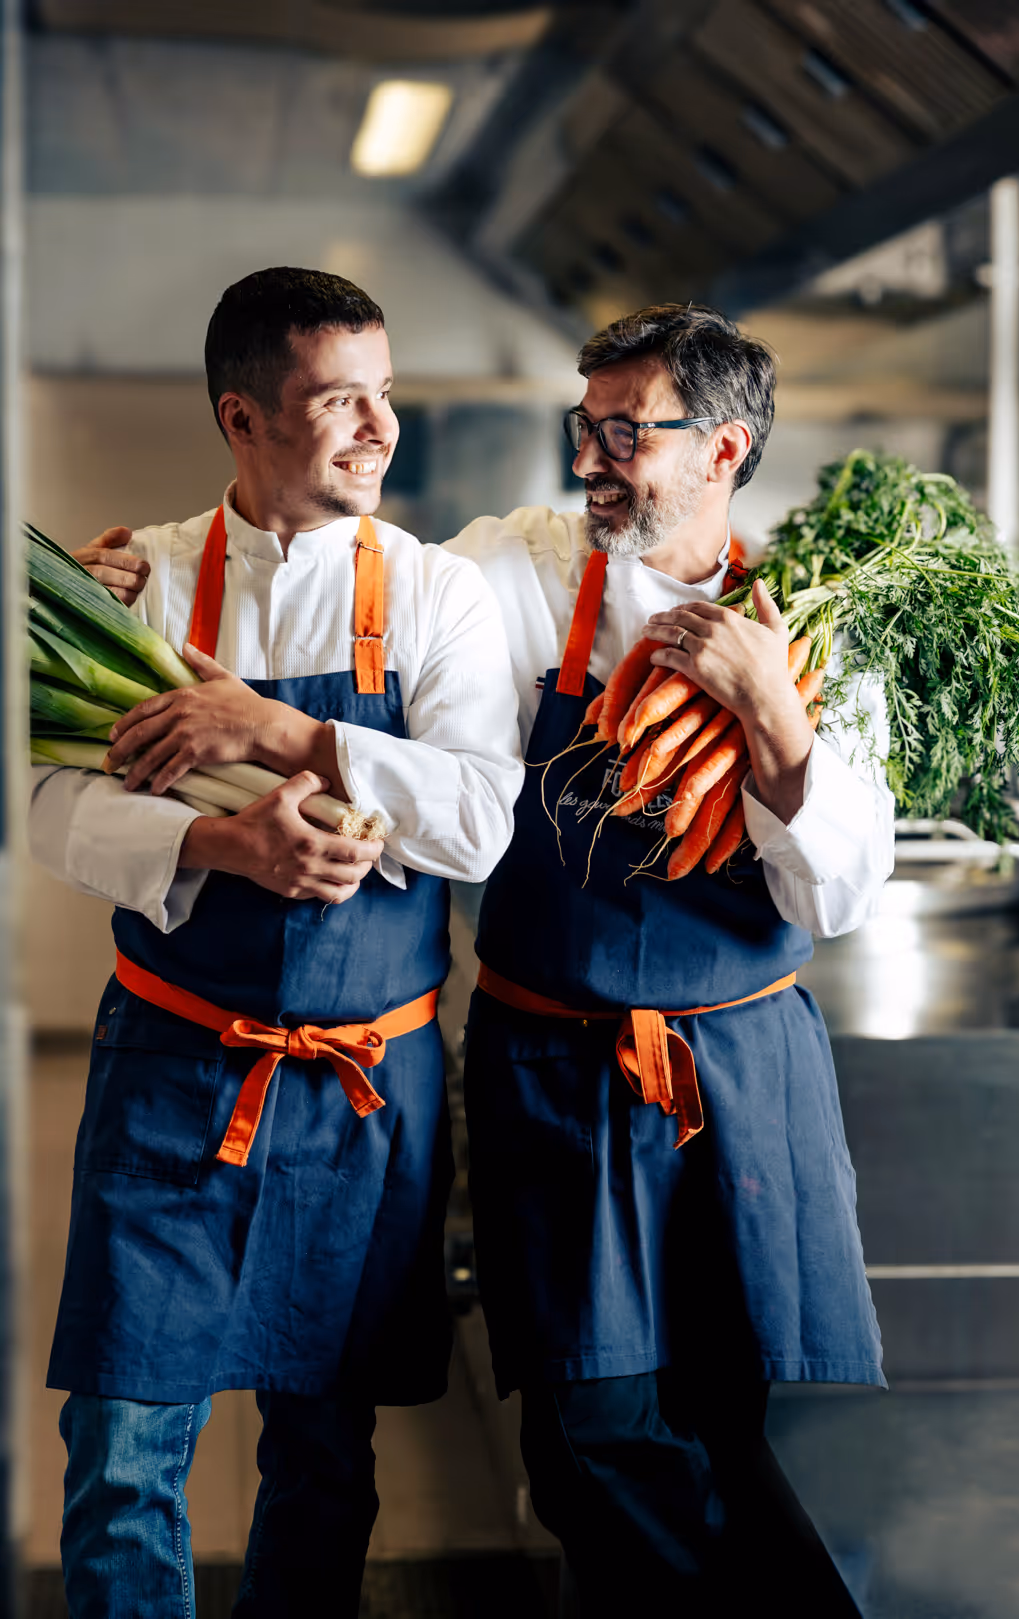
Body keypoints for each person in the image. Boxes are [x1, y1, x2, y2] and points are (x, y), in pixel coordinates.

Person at [32, 266, 522, 1618]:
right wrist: (215, 844)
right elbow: (40, 804)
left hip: (364, 1096)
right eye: (337, 399)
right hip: (176, 1075)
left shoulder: (434, 594)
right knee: (125, 1441)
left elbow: (479, 819)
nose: (378, 428)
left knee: (324, 1449)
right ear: (242, 421)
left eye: (386, 392)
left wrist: (288, 734)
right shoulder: (140, 578)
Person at [442, 304, 893, 1616]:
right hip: (558, 1065)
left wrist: (780, 716)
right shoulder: (516, 571)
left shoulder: (818, 624)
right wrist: (178, 564)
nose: (590, 456)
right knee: (588, 1430)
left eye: (626, 431)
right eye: (585, 426)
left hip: (743, 1064)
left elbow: (845, 888)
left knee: (733, 1414)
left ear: (725, 446)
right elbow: (358, 577)